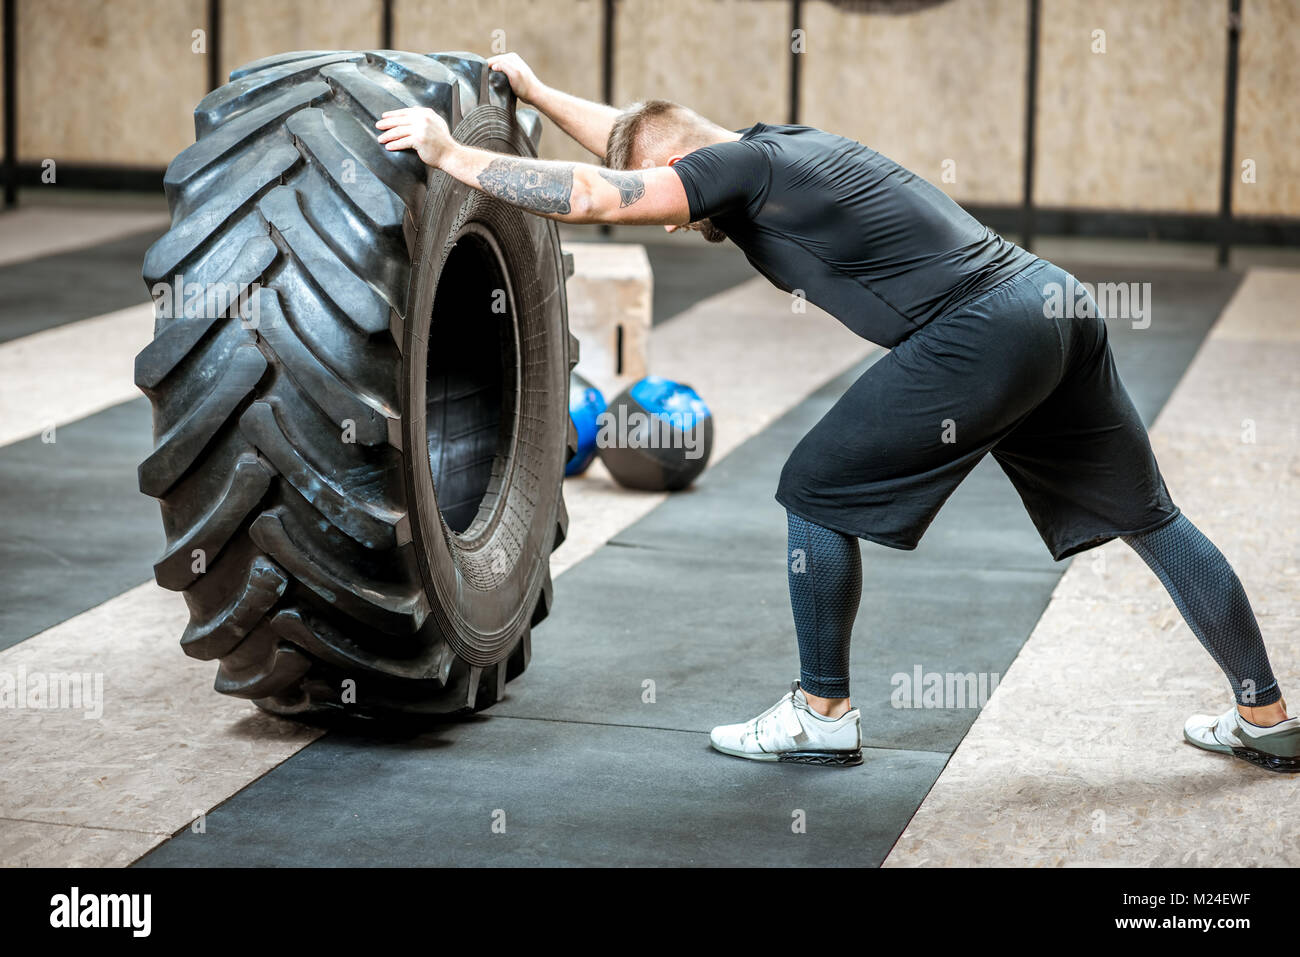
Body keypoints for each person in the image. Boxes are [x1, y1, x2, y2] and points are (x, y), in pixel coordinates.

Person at [376, 52, 1297, 772]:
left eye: (671, 197)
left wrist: (455, 155)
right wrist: (536, 93)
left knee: (812, 487)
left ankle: (821, 714)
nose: (671, 220)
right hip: (1052, 302)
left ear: (681, 163)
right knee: (1153, 515)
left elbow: (597, 192)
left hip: (983, 328)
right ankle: (1267, 714)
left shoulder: (726, 167)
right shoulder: (772, 145)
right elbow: (631, 138)